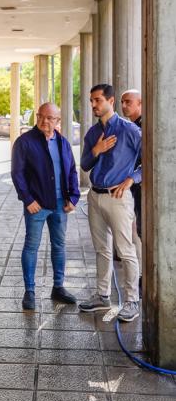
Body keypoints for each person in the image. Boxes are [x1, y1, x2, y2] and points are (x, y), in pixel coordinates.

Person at [79, 84, 142, 322]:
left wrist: (131, 179)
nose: (94, 105)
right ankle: (102, 296)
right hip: (94, 196)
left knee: (126, 251)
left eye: (97, 100)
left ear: (111, 101)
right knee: (101, 250)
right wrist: (96, 150)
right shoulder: (93, 133)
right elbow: (85, 165)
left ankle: (131, 301)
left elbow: (150, 158)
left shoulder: (130, 130)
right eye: (91, 101)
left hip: (117, 197)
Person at [11, 103, 80, 311]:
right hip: (37, 205)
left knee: (59, 246)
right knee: (31, 246)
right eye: (41, 116)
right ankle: (29, 291)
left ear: (58, 120)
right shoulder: (24, 142)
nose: (44, 121)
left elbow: (72, 171)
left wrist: (73, 197)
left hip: (60, 205)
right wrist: (27, 199)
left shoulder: (63, 143)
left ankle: (58, 287)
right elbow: (17, 173)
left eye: (50, 118)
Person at [120, 89, 142, 292]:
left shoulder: (144, 127)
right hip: (128, 189)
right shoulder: (125, 127)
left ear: (140, 103)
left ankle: (142, 278)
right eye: (122, 102)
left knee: (141, 232)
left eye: (129, 102)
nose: (124, 105)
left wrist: (133, 178)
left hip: (140, 187)